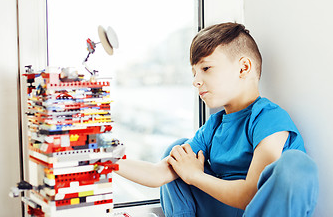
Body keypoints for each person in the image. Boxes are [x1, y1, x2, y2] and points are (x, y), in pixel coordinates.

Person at [115, 22, 319, 217]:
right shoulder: (213, 126)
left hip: (256, 210)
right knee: (177, 152)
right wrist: (108, 160)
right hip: (220, 209)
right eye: (194, 72)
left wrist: (195, 176)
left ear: (243, 68)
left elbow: (251, 194)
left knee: (296, 165)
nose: (195, 81)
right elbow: (157, 174)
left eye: (206, 68)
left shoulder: (269, 117)